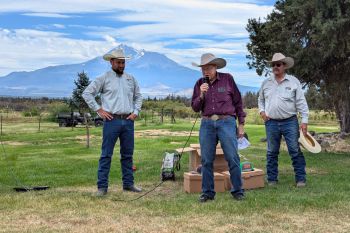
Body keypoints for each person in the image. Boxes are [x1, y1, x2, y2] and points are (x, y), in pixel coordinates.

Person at [83, 48, 142, 196]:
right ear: (111, 62)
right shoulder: (103, 78)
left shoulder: (131, 79)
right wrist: (98, 109)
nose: (122, 65)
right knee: (106, 155)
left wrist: (135, 112)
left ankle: (128, 184)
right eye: (119, 63)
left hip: (128, 121)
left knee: (128, 155)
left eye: (123, 63)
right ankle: (102, 187)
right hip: (111, 121)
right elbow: (87, 93)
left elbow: (138, 96)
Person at [191, 53, 246, 202]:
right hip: (207, 123)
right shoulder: (199, 84)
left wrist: (241, 125)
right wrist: (201, 95)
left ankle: (238, 191)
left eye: (208, 68)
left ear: (215, 67)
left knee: (232, 157)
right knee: (206, 160)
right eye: (203, 68)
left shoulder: (228, 79)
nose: (205, 71)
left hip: (226, 121)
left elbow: (238, 103)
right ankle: (207, 193)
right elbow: (195, 108)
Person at [258, 53, 309, 188]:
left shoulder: (293, 81)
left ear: (284, 66)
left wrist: (304, 121)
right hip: (271, 122)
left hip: (290, 121)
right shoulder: (266, 83)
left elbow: (301, 102)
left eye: (278, 64)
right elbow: (260, 99)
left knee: (294, 150)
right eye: (273, 65)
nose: (275, 67)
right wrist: (262, 111)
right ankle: (272, 179)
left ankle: (301, 179)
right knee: (271, 152)